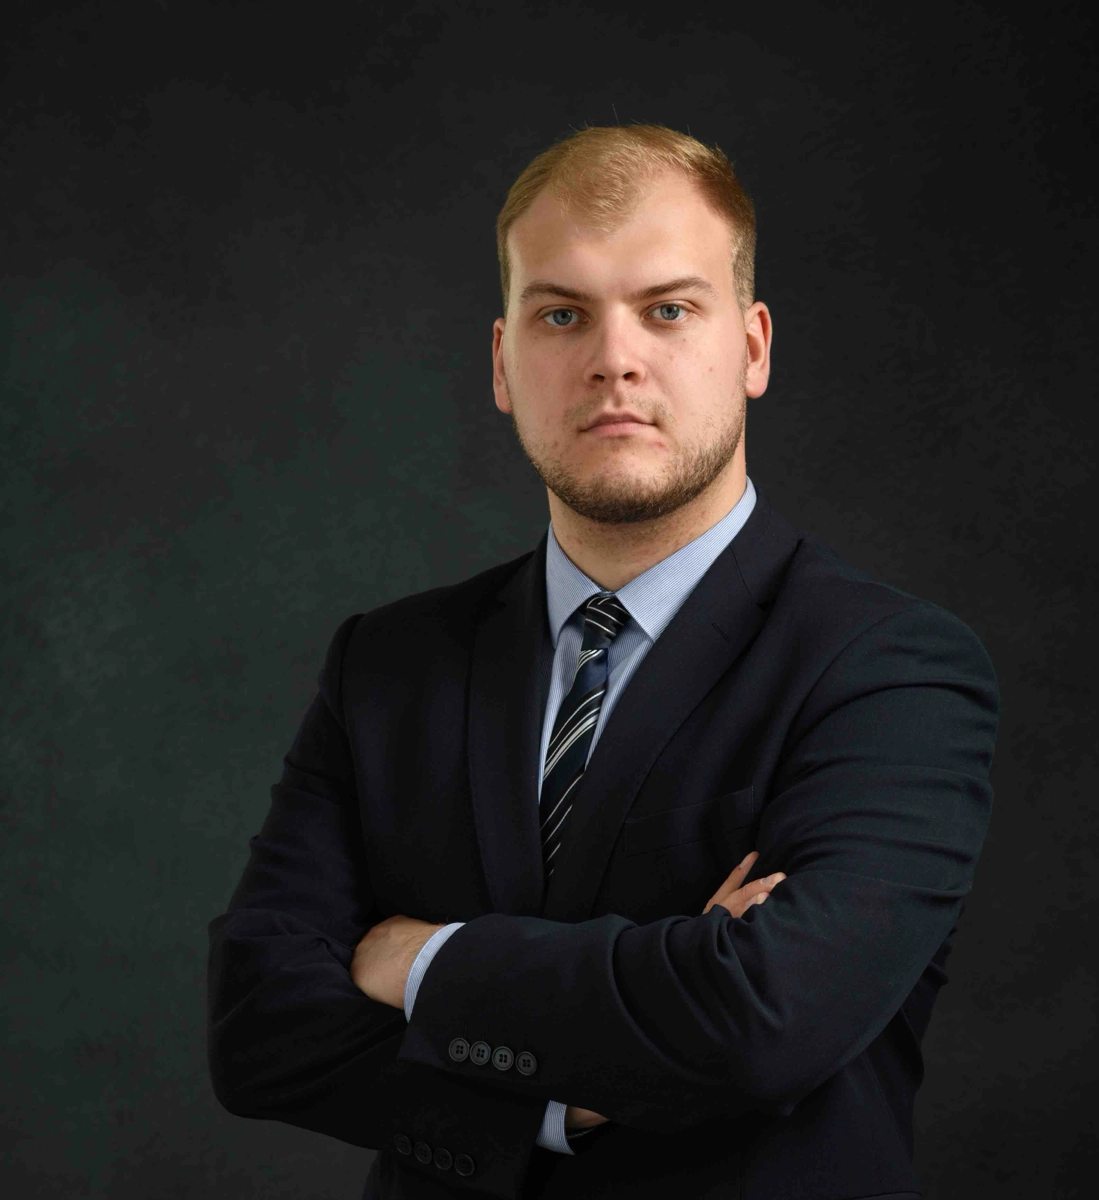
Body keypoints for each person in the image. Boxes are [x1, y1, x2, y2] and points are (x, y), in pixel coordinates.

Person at [206, 123, 1000, 1200]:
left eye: (668, 309)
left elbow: (760, 1022)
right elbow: (258, 1027)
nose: (613, 359)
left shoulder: (889, 670)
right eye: (562, 314)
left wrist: (418, 959)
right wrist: (563, 1101)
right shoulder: (387, 664)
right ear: (502, 362)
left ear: (753, 347)